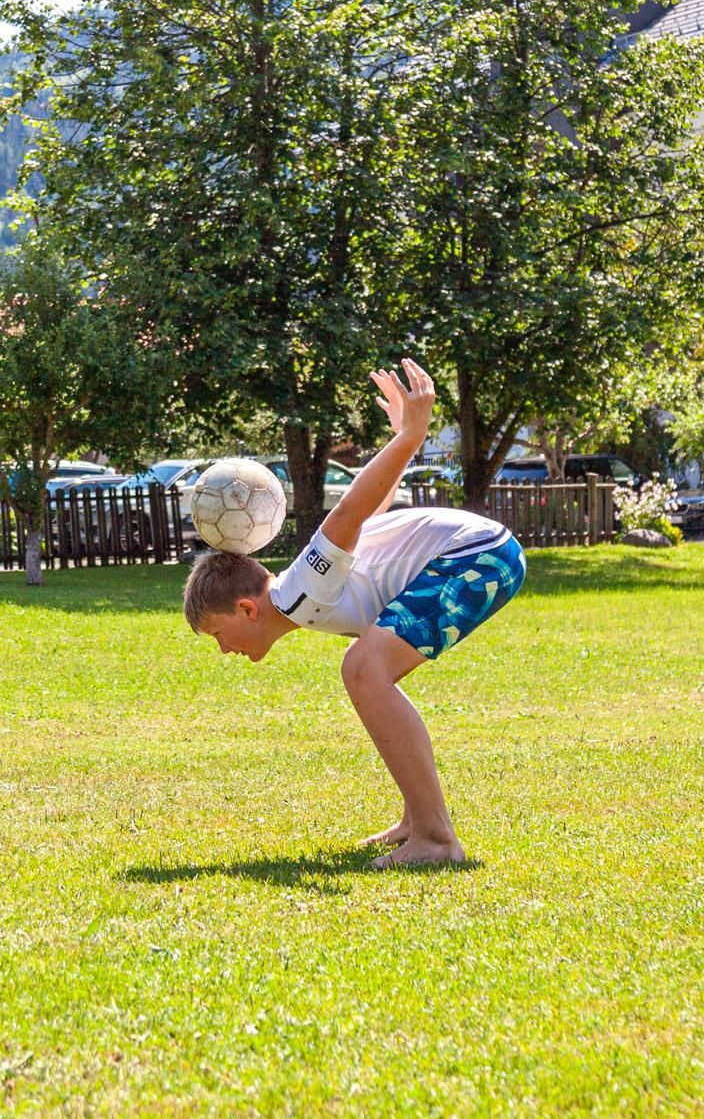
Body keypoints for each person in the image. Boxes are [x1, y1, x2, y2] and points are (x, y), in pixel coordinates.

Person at [182, 360, 525, 866]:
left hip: (478, 556)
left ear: (247, 608)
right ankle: (417, 821)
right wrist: (399, 440)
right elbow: (371, 512)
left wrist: (410, 437)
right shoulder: (305, 589)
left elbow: (349, 511)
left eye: (218, 634)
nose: (224, 649)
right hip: (485, 553)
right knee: (370, 670)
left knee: (364, 668)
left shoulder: (301, 587)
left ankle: (436, 840)